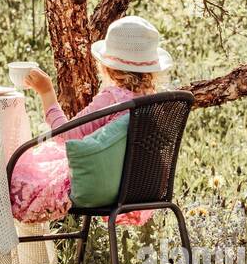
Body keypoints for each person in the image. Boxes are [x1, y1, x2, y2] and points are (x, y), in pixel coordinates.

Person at [10, 16, 173, 225]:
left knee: (15, 173)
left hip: (103, 187)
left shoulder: (114, 98)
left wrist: (46, 92)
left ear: (107, 67)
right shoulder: (155, 101)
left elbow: (65, 134)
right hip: (141, 186)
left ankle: (6, 250)